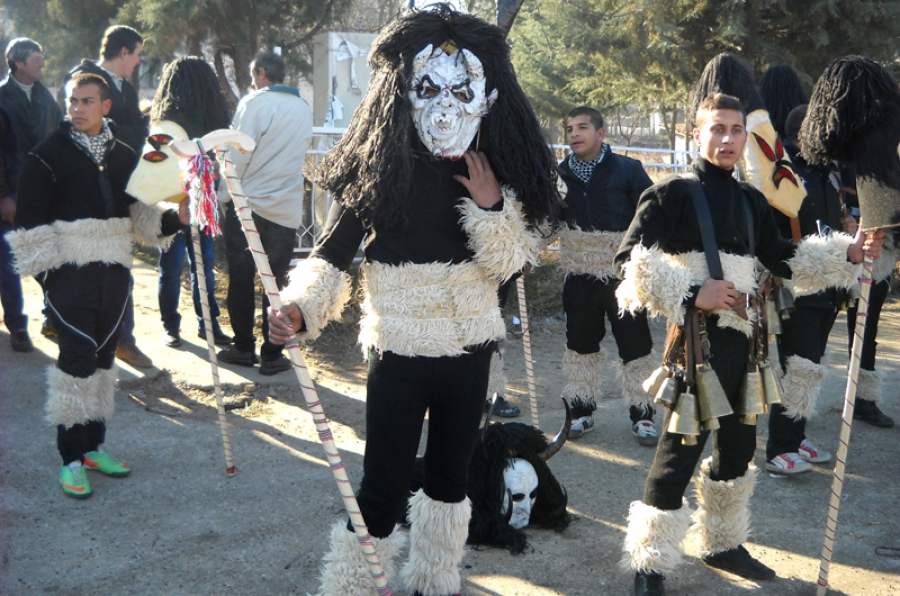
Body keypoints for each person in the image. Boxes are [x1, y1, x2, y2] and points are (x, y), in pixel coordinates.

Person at [267, 7, 558, 595]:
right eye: (428, 87)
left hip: (470, 353)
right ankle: (351, 585)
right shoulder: (381, 169)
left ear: (487, 95)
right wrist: (299, 308)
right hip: (398, 352)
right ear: (401, 92)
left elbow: (515, 264)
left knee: (451, 480)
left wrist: (491, 205)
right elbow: (330, 255)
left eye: (461, 88)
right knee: (380, 485)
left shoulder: (497, 170)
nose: (445, 105)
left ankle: (435, 580)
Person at [615, 93, 880, 596]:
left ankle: (722, 542)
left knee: (737, 454)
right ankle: (649, 563)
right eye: (717, 129)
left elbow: (784, 260)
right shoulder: (670, 193)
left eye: (736, 130)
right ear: (698, 133)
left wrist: (848, 252)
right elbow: (628, 262)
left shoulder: (750, 200)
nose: (728, 139)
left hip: (748, 346)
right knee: (678, 456)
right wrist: (695, 293)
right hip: (695, 347)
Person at [6, 73, 185, 498]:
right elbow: (30, 228)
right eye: (72, 101)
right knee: (76, 360)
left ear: (106, 106)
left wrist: (178, 218)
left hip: (115, 270)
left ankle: (93, 448)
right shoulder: (45, 156)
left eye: (87, 101)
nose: (77, 109)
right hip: (69, 274)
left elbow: (139, 215)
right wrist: (52, 281)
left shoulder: (125, 153)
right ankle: (70, 459)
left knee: (105, 360)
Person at [764, 104, 858, 475]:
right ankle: (779, 448)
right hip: (798, 282)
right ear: (803, 132)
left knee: (812, 364)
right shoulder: (783, 172)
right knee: (798, 366)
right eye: (825, 129)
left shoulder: (829, 173)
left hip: (830, 283)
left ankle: (796, 432)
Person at [556, 106, 656, 443]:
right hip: (580, 276)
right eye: (569, 129)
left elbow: (651, 215)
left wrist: (647, 257)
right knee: (580, 347)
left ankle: (643, 415)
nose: (574, 134)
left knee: (637, 346)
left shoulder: (628, 170)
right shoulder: (559, 175)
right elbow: (547, 220)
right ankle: (581, 413)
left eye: (582, 127)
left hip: (623, 277)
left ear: (601, 133)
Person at [217, 51, 311, 376]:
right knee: (276, 284)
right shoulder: (303, 108)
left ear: (259, 73)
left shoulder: (254, 103)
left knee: (241, 279)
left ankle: (243, 347)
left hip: (249, 207)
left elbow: (236, 154)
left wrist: (221, 194)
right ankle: (272, 353)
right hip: (284, 210)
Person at [67, 25, 152, 368]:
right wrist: (140, 130)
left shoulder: (126, 90)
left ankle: (120, 340)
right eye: (137, 54)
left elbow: (126, 131)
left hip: (120, 191)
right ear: (122, 53)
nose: (138, 61)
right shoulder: (85, 81)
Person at [146, 57, 233, 348]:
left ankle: (177, 326)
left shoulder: (176, 116)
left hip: (185, 199)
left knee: (175, 267)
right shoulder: (199, 116)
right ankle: (204, 325)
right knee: (201, 265)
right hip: (187, 200)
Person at [0, 38, 62, 352]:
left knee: (46, 257)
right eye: (36, 58)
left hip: (41, 193)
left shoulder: (45, 98)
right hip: (9, 195)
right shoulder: (1, 97)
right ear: (19, 64)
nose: (42, 63)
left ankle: (52, 317)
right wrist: (4, 197)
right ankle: (17, 328)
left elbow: (56, 140)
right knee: (9, 265)